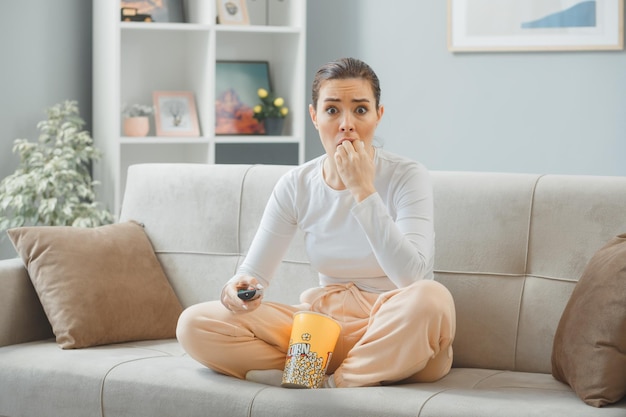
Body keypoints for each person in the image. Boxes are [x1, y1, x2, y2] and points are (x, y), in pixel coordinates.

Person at [176, 57, 456, 388]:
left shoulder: (407, 176)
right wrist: (236, 291)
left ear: (378, 116)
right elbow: (253, 275)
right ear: (314, 116)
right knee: (194, 324)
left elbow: (411, 276)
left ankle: (331, 384)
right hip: (323, 331)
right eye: (333, 110)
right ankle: (311, 369)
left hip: (395, 332)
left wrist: (363, 191)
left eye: (361, 110)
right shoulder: (297, 184)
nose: (346, 124)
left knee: (431, 298)